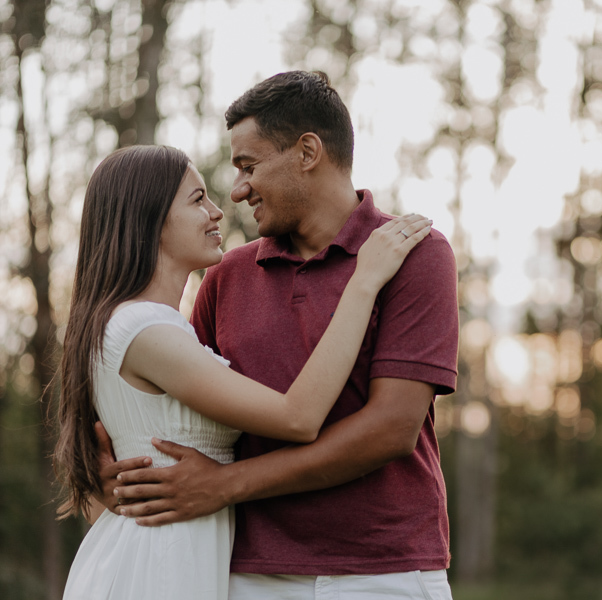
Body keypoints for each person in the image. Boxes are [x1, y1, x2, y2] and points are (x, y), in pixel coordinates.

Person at [102, 71, 460, 599]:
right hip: (246, 574)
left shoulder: (415, 255)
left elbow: (391, 429)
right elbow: (176, 404)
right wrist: (116, 468)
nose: (239, 188)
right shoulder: (227, 276)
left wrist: (225, 486)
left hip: (383, 573)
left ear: (307, 151)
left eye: (249, 165)